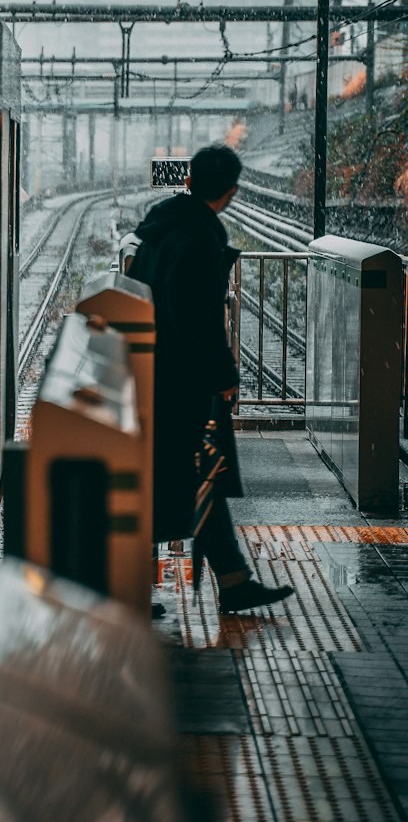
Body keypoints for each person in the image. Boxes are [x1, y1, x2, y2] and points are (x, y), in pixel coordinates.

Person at [130, 144, 294, 614]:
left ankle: (232, 578)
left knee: (196, 478)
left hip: (153, 373)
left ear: (189, 181)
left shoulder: (161, 228)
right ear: (230, 192)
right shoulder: (198, 239)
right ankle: (142, 585)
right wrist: (223, 375)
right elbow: (198, 319)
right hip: (181, 385)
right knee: (191, 477)